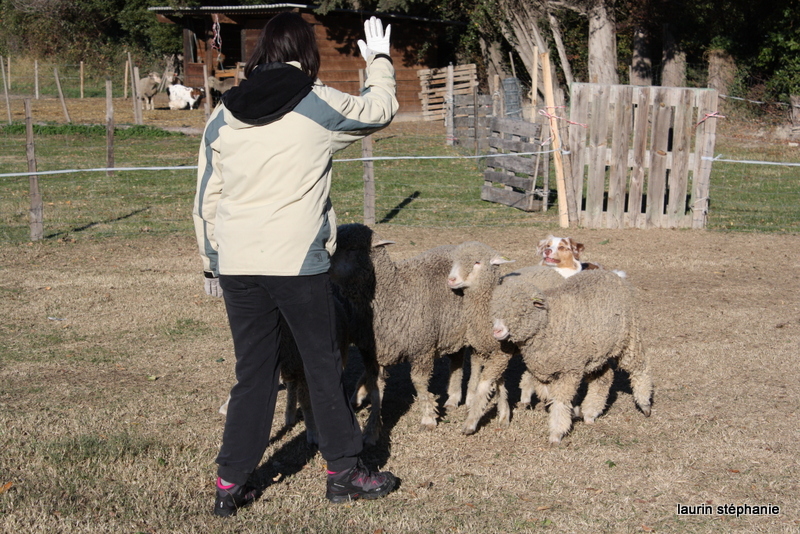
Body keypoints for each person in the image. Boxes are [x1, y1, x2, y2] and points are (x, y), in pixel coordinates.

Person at [192, 13, 399, 517]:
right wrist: (379, 61)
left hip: (238, 262)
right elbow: (379, 110)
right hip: (297, 261)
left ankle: (229, 484)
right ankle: (345, 474)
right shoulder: (316, 99)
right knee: (323, 367)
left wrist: (210, 262)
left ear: (262, 49)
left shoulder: (224, 111)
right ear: (307, 51)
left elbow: (206, 195)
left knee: (254, 374)